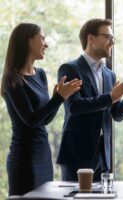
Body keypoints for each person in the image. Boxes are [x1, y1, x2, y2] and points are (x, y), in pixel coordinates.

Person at [57, 18, 123, 181]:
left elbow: (116, 114)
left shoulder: (109, 74)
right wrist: (111, 97)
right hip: (77, 154)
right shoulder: (70, 69)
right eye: (108, 37)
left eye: (113, 38)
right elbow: (74, 106)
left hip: (103, 157)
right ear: (91, 39)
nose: (112, 42)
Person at [0, 23, 82, 195]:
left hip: (43, 154)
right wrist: (58, 98)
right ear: (28, 41)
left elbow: (44, 120)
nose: (46, 44)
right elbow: (30, 120)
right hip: (24, 158)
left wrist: (59, 99)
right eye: (42, 38)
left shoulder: (40, 74)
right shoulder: (12, 79)